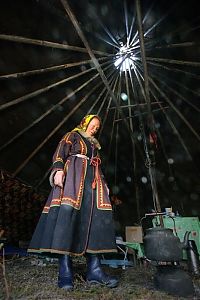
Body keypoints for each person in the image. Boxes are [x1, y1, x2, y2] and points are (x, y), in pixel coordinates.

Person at [28, 114, 118, 290]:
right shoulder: (72, 135)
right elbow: (60, 153)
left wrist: (104, 184)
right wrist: (58, 170)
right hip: (73, 179)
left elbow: (97, 166)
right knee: (67, 216)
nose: (95, 128)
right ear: (85, 123)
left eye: (97, 127)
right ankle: (65, 270)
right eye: (93, 125)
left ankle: (95, 270)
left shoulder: (94, 145)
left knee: (94, 219)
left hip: (92, 184)